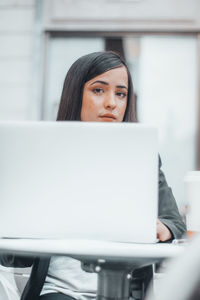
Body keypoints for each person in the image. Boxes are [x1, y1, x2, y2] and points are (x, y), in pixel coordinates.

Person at [0, 51, 186, 300]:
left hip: (123, 292)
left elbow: (174, 222)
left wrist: (164, 228)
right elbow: (14, 255)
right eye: (98, 90)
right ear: (75, 95)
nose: (112, 103)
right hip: (58, 292)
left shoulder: (141, 157)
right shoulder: (44, 156)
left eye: (121, 93)